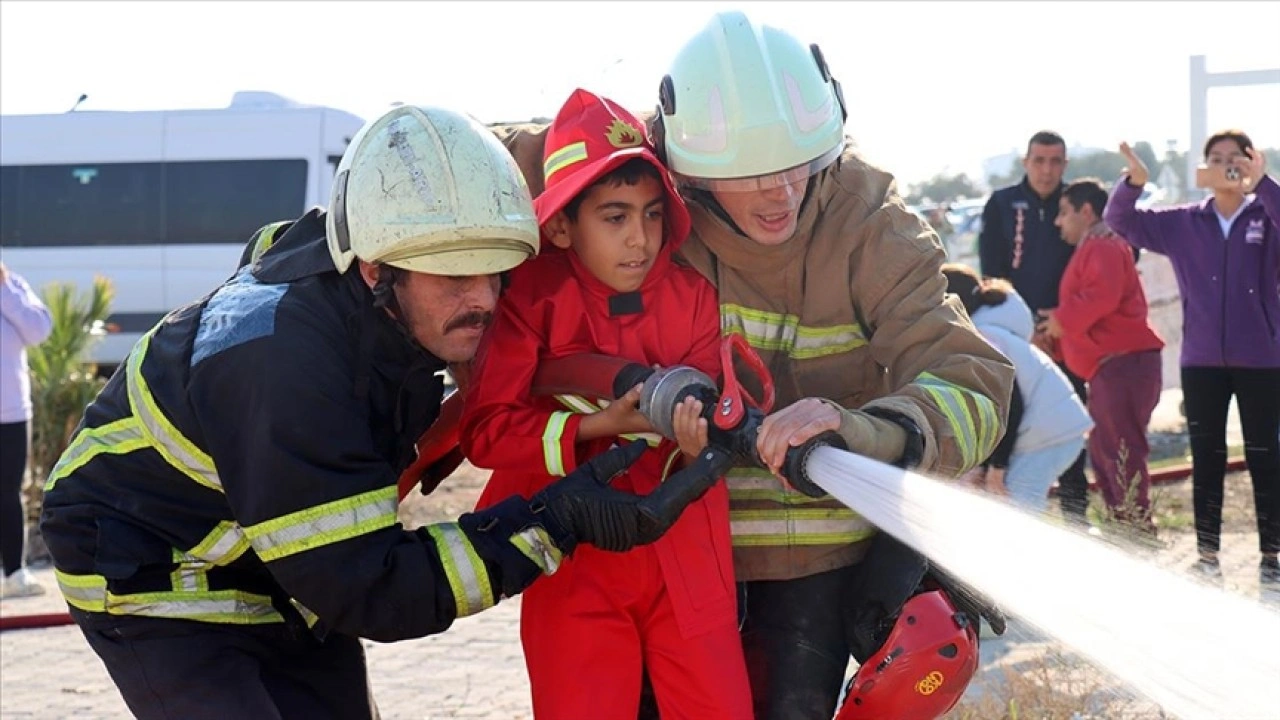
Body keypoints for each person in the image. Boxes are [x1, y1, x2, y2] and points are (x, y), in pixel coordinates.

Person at [36, 104, 724, 720]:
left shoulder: (376, 284)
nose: (485, 301)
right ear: (375, 269)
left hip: (285, 569)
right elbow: (375, 590)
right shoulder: (285, 365)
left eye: (496, 273)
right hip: (157, 574)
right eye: (456, 276)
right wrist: (552, 523)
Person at [496, 14, 1014, 717]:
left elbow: (972, 379)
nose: (781, 192)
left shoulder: (871, 225)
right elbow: (492, 160)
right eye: (752, 173)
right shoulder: (644, 174)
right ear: (689, 169)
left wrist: (862, 432)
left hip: (814, 566)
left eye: (797, 163)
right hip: (662, 550)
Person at [461, 89, 751, 719]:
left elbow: (708, 399)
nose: (640, 241)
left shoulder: (692, 294)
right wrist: (600, 423)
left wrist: (707, 435)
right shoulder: (530, 299)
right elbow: (486, 432)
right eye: (614, 217)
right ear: (562, 223)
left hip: (687, 555)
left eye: (651, 215)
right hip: (573, 554)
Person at [1105, 133, 1279, 585]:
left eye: (1235, 159)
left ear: (1252, 163)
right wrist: (1134, 181)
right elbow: (1120, 219)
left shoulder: (1267, 213)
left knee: (1266, 456)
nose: (1226, 167)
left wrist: (1265, 185)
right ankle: (1207, 554)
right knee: (1208, 455)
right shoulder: (1184, 223)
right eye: (1216, 159)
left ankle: (1272, 555)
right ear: (1203, 168)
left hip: (1262, 359)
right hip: (1201, 361)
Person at [979, 130, 1092, 524]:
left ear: (1065, 164)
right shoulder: (1003, 204)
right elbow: (991, 277)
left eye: (1055, 161)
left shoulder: (1077, 203)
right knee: (1012, 423)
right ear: (1026, 162)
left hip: (1068, 336)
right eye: (1039, 161)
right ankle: (1011, 511)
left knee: (1066, 423)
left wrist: (1059, 323)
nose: (1047, 170)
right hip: (1016, 340)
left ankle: (1077, 518)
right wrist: (1023, 333)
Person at [1040, 179, 1164, 532]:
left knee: (1121, 453)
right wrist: (1058, 330)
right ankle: (1125, 527)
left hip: (1123, 364)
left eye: (1064, 213)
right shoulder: (1096, 245)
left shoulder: (1102, 246)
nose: (1057, 221)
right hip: (1113, 366)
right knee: (1109, 453)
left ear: (1086, 211)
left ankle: (1135, 532)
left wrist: (1060, 321)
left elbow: (1102, 296)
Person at [942, 264, 1092, 513]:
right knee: (1004, 508)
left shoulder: (984, 340)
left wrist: (997, 468)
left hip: (1048, 435)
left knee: (1015, 512)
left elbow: (1010, 406)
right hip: (1048, 432)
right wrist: (986, 465)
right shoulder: (990, 332)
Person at [1, 262, 53, 598]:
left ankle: (15, 574)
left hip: (11, 411)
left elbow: (38, 330)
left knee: (8, 492)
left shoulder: (14, 286)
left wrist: (4, 291)